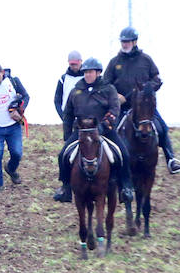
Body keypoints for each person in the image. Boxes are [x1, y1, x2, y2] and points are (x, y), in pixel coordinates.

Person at [102, 27, 180, 174]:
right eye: (123, 42)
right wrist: (115, 96)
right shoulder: (115, 62)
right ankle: (110, 165)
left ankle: (171, 159)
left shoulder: (146, 60)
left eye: (127, 41)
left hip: (144, 107)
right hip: (123, 106)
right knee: (111, 132)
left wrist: (146, 89)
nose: (124, 44)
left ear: (134, 42)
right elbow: (105, 83)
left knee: (162, 128)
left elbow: (157, 79)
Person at [55, 57, 131, 203]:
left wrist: (103, 125)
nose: (87, 75)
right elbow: (68, 114)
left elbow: (114, 109)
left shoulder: (109, 89)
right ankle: (65, 187)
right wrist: (67, 135)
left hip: (105, 131)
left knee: (124, 154)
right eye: (85, 72)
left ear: (98, 73)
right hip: (82, 131)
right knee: (62, 155)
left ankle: (125, 187)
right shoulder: (76, 91)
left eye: (90, 72)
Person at [53, 51, 83, 122]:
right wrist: (63, 116)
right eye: (72, 64)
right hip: (68, 117)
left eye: (76, 64)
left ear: (81, 62)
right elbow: (57, 100)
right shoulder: (63, 79)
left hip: (84, 118)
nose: (74, 67)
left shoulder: (87, 77)